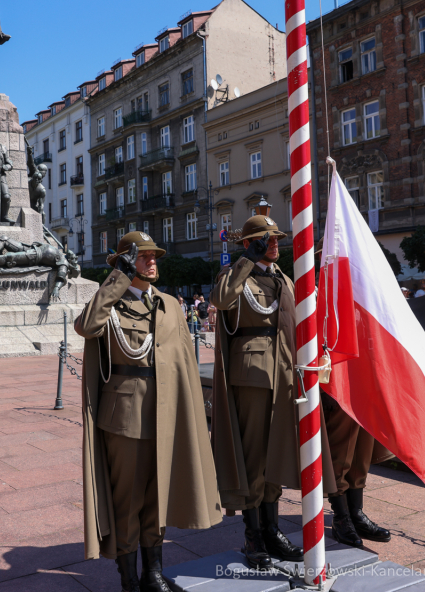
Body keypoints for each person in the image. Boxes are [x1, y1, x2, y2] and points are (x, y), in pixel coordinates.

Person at [76, 232, 221, 592]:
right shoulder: (109, 303)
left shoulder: (171, 305)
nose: (152, 261)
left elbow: (184, 362)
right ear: (127, 262)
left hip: (167, 413)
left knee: (157, 497)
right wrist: (116, 280)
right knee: (129, 502)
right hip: (126, 416)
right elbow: (86, 325)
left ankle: (152, 574)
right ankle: (129, 579)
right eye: (144, 257)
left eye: (154, 256)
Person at [211, 216, 309, 568]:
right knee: (254, 458)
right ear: (249, 243)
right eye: (267, 238)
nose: (275, 242)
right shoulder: (235, 276)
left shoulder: (283, 278)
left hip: (283, 372)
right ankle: (253, 536)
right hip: (252, 375)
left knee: (276, 453)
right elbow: (221, 300)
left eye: (277, 237)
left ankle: (271, 529)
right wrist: (246, 262)